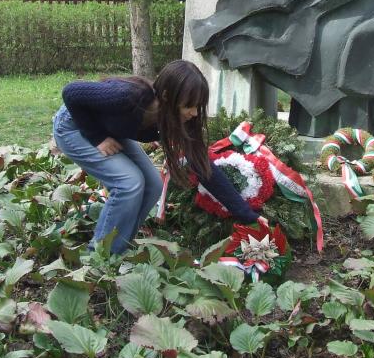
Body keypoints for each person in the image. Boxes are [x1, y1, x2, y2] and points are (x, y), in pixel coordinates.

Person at [52, 60, 265, 254]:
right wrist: (97, 137)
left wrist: (247, 215)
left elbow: (203, 167)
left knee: (153, 184)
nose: (194, 113)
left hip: (110, 131)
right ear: (166, 97)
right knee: (129, 183)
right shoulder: (128, 96)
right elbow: (71, 93)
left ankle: (119, 246)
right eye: (189, 105)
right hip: (74, 126)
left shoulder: (177, 120)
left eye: (198, 106)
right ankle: (100, 256)